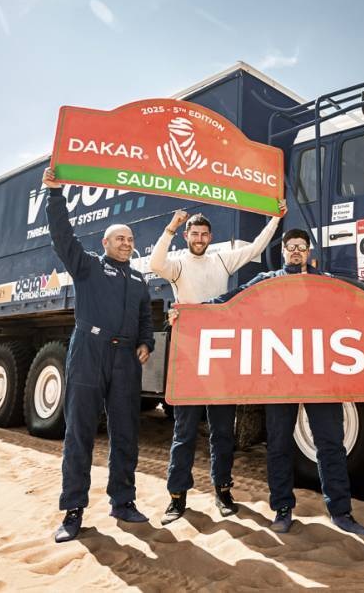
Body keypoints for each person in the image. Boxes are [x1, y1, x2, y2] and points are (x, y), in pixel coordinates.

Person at [168, 228, 364, 536]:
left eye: (301, 246)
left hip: (320, 378)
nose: (296, 251)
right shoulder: (265, 282)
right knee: (278, 446)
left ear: (309, 252)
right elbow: (228, 302)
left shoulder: (326, 282)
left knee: (330, 445)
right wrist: (190, 313)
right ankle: (282, 508)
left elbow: (363, 297)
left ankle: (341, 512)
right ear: (283, 252)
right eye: (291, 247)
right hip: (280, 379)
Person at [149, 203, 284, 525]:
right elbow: (156, 263)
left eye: (204, 234)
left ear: (211, 236)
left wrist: (277, 218)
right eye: (194, 233)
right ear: (186, 236)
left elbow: (257, 248)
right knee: (183, 432)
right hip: (188, 356)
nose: (199, 238)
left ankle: (223, 491)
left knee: (222, 431)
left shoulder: (222, 260)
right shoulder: (178, 265)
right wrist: (170, 227)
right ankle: (177, 498)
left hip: (220, 357)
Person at [43, 168, 155, 543]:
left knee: (126, 433)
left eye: (131, 239)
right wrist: (55, 194)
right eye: (120, 238)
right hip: (88, 353)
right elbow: (62, 236)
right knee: (80, 433)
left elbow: (144, 317)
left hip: (125, 360)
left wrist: (146, 342)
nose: (127, 243)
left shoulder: (139, 280)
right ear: (106, 243)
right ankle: (73, 511)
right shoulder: (88, 266)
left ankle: (123, 501)